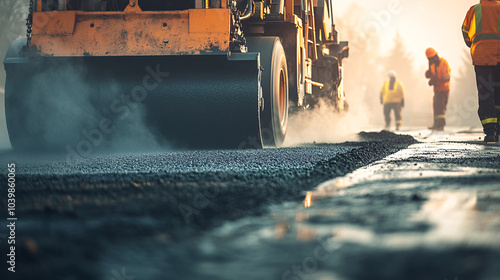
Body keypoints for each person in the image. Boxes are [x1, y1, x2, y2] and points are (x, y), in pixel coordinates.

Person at [463, 0, 500, 143]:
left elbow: (466, 34)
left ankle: (490, 132)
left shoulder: (474, 10)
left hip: (483, 58)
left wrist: (475, 43)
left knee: (486, 93)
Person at [425, 48, 451, 131]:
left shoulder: (444, 63)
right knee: (436, 106)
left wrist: (436, 80)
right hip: (437, 90)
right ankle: (436, 124)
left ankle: (441, 125)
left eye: (431, 59)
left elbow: (447, 77)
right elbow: (432, 75)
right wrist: (429, 76)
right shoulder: (433, 65)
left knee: (440, 107)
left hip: (444, 89)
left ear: (435, 56)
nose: (431, 61)